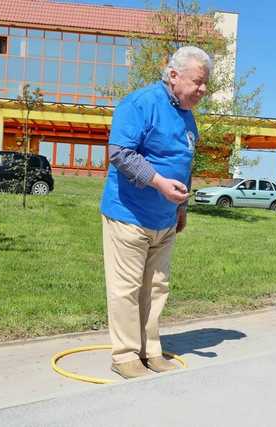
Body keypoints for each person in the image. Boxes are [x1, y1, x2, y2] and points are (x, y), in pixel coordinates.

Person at [100, 46, 212, 379]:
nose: (203, 90)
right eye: (198, 82)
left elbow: (184, 164)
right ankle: (124, 356)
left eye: (205, 84)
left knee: (157, 288)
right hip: (129, 215)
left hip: (165, 219)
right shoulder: (139, 103)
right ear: (174, 75)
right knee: (127, 289)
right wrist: (159, 182)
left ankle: (150, 350)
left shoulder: (187, 115)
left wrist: (182, 208)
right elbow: (120, 153)